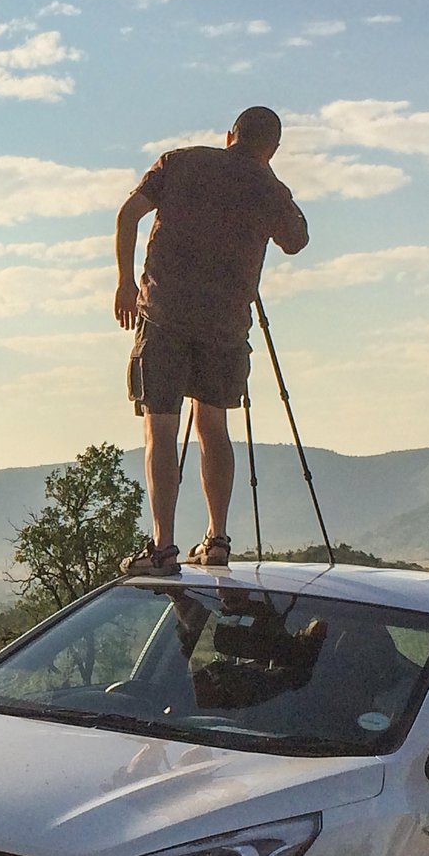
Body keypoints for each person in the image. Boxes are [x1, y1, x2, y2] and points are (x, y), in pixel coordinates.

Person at [112, 105, 309, 574]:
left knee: (160, 429)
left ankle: (162, 548)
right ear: (272, 150)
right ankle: (216, 539)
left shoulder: (178, 162)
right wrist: (264, 177)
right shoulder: (267, 186)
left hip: (163, 316)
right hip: (224, 327)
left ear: (228, 135)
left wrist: (124, 283)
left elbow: (127, 216)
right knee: (213, 427)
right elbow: (296, 239)